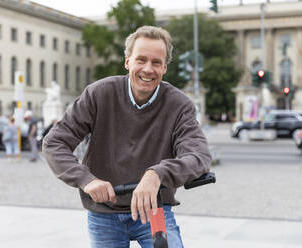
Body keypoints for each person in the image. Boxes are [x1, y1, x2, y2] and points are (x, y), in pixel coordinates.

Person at [43, 26, 211, 247]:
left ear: (165, 68)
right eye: (141, 60)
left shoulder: (179, 105)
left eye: (156, 62)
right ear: (127, 62)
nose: (148, 69)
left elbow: (199, 155)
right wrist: (86, 180)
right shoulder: (99, 94)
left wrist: (157, 174)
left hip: (153, 209)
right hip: (104, 212)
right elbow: (54, 142)